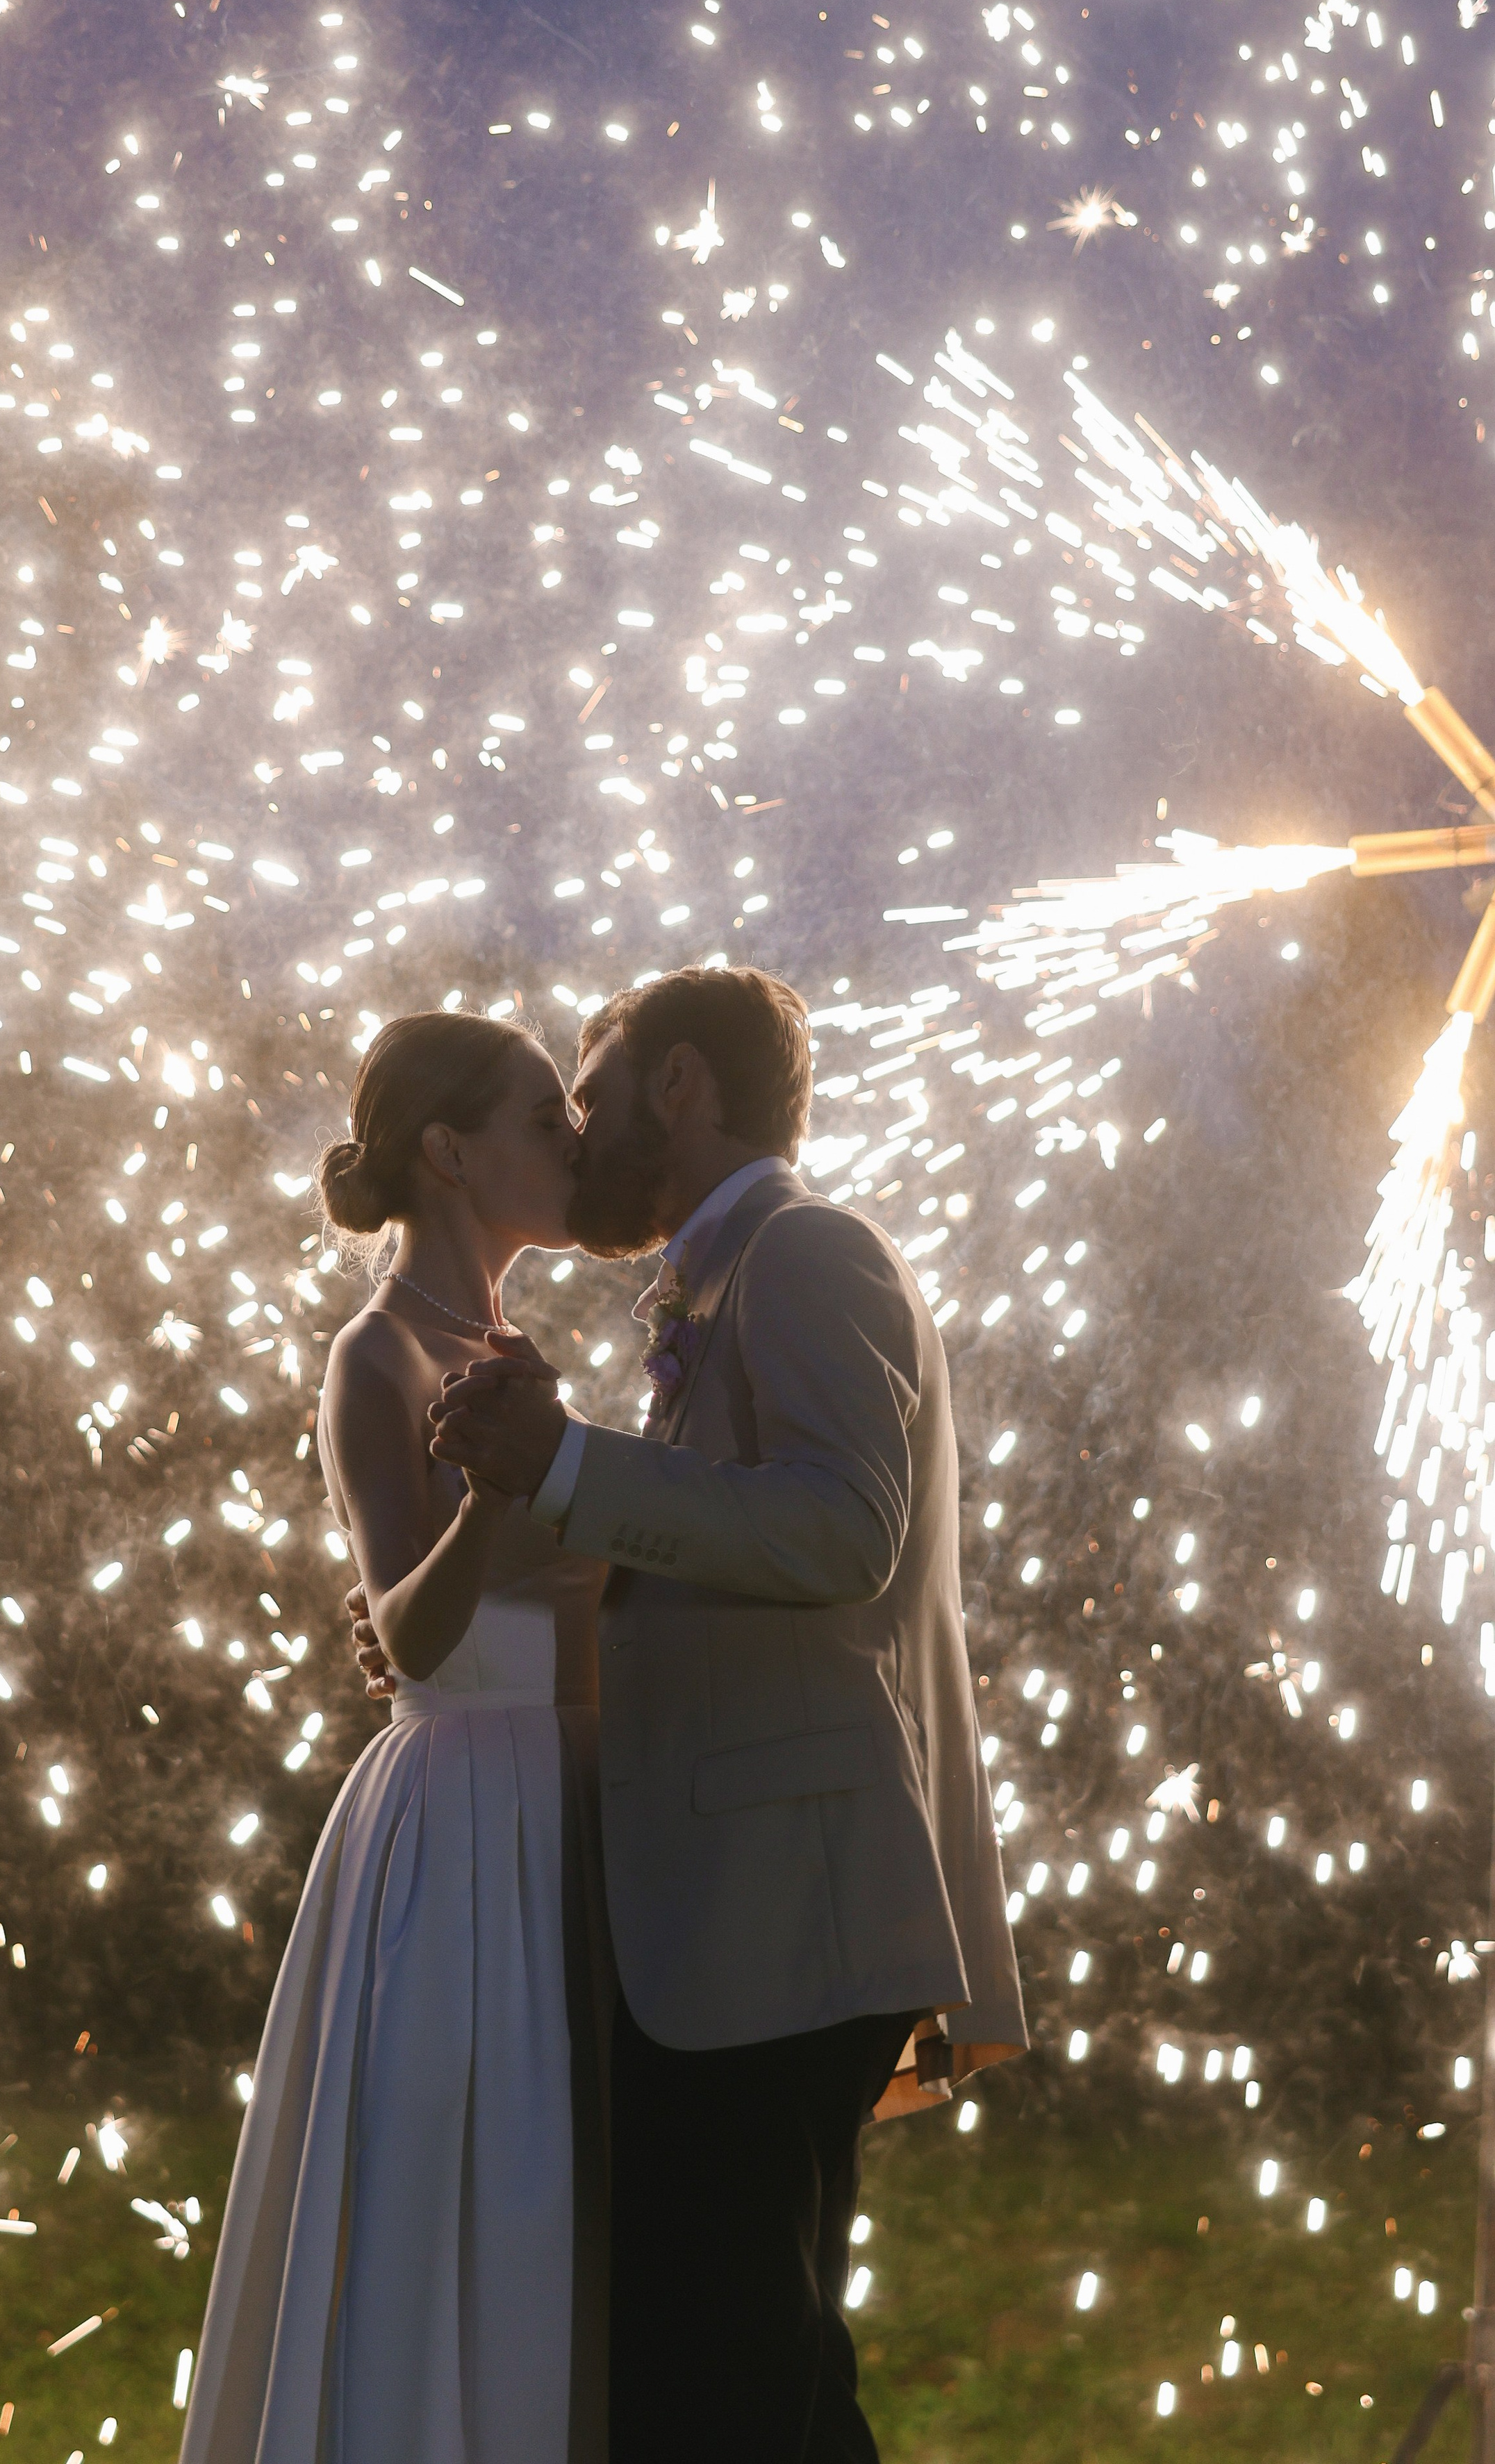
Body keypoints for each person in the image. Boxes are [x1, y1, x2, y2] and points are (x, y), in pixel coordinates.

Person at [408, 965, 1027, 2464]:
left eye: (595, 1081)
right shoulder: (726, 1272)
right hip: (738, 1917)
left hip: (775, 1917)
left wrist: (568, 1469)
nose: (577, 1120)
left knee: (738, 2385)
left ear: (679, 1086)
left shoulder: (805, 1253)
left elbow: (835, 1533)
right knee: (738, 2375)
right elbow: (722, 1543)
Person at [179, 1010, 613, 2464]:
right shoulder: (377, 1359)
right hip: (467, 1814)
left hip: (568, 1801)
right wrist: (500, 1499)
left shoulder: (504, 1346)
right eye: (543, 1120)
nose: (575, 1144)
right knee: (455, 2198)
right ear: (446, 1150)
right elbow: (409, 1633)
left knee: (546, 2201)